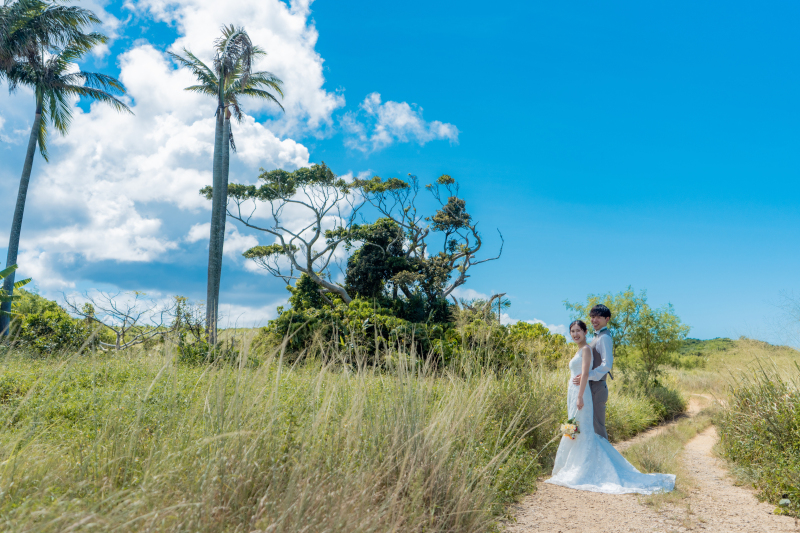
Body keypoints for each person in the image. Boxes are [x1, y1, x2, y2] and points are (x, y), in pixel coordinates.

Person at [545, 319, 675, 494]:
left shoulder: (586, 350)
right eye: (572, 331)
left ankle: (583, 467)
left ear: (585, 332)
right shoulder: (579, 349)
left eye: (578, 331)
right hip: (573, 392)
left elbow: (584, 374)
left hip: (580, 393)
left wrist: (580, 396)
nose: (575, 334)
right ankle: (573, 463)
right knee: (576, 428)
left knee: (582, 429)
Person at [571, 304, 613, 439]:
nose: (594, 320)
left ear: (607, 319)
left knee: (598, 428)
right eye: (592, 317)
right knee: (592, 428)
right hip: (592, 388)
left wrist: (587, 375)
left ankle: (607, 460)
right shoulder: (597, 337)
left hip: (598, 387)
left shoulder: (604, 337)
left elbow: (607, 365)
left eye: (598, 317)